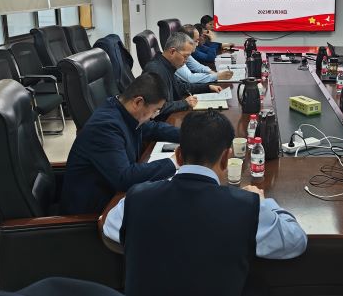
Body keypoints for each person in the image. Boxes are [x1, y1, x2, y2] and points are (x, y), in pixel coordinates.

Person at [103, 110, 308, 296]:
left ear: (178, 156)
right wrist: (265, 202)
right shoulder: (248, 207)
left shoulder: (137, 198)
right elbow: (296, 241)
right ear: (226, 158)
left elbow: (110, 226)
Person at [60, 73, 180, 215]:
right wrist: (175, 161)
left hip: (114, 196)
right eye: (155, 110)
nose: (154, 115)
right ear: (138, 102)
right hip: (93, 212)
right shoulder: (105, 127)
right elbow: (124, 178)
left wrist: (191, 136)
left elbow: (153, 128)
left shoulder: (122, 110)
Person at [143, 32, 222, 120]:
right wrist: (184, 103)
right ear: (172, 51)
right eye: (185, 56)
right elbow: (154, 108)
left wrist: (207, 87)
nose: (186, 61)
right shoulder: (156, 70)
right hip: (162, 121)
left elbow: (180, 87)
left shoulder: (167, 65)